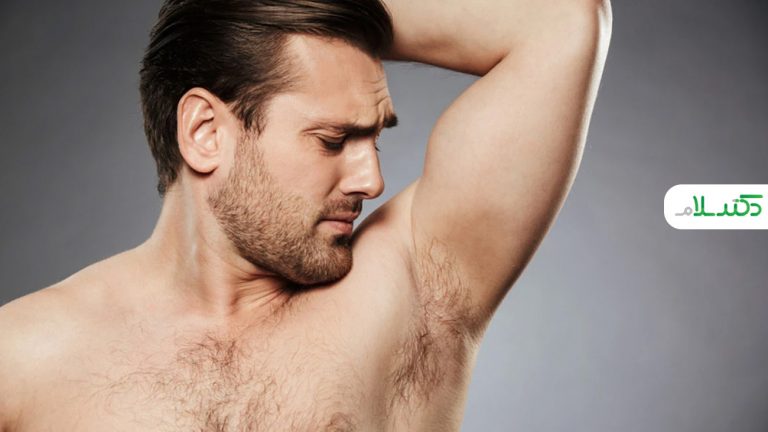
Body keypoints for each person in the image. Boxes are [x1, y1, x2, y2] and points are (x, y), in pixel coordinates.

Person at [0, 0, 611, 430]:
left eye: (375, 139)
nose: (371, 180)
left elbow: (560, 17)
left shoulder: (410, 293)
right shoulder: (23, 360)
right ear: (206, 133)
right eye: (332, 140)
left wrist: (293, 6)